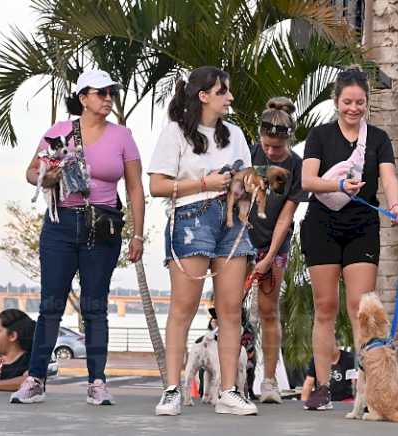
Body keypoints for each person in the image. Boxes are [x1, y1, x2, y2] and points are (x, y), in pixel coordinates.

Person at [10, 69, 144, 407]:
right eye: (101, 93)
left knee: (95, 306)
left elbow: (135, 187)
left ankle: (97, 381)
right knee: (51, 304)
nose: (108, 99)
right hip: (61, 223)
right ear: (83, 97)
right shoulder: (58, 132)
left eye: (111, 92)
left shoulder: (123, 136)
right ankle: (36, 378)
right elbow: (30, 173)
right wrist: (48, 176)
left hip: (102, 225)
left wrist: (138, 234)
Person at [148, 66, 257, 416]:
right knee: (183, 306)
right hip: (191, 217)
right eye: (223, 91)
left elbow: (247, 177)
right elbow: (157, 186)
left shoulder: (235, 134)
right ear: (203, 96)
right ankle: (171, 389)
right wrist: (204, 184)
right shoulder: (176, 132)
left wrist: (252, 184)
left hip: (232, 220)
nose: (230, 97)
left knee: (230, 309)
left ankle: (228, 391)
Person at [299, 67, 398, 411]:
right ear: (336, 102)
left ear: (367, 103)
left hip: (362, 224)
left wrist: (395, 204)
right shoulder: (319, 136)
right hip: (322, 224)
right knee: (325, 306)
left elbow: (388, 178)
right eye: (347, 102)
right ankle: (323, 385)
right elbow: (308, 181)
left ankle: (366, 387)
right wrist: (339, 186)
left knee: (361, 309)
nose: (353, 108)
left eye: (360, 102)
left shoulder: (377, 139)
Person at [247, 97, 305, 404]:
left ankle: (269, 382)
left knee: (269, 312)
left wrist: (269, 258)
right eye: (267, 146)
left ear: (288, 140)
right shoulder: (249, 153)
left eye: (277, 149)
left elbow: (287, 215)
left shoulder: (296, 164)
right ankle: (230, 381)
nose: (271, 153)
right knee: (228, 311)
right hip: (241, 240)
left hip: (275, 243)